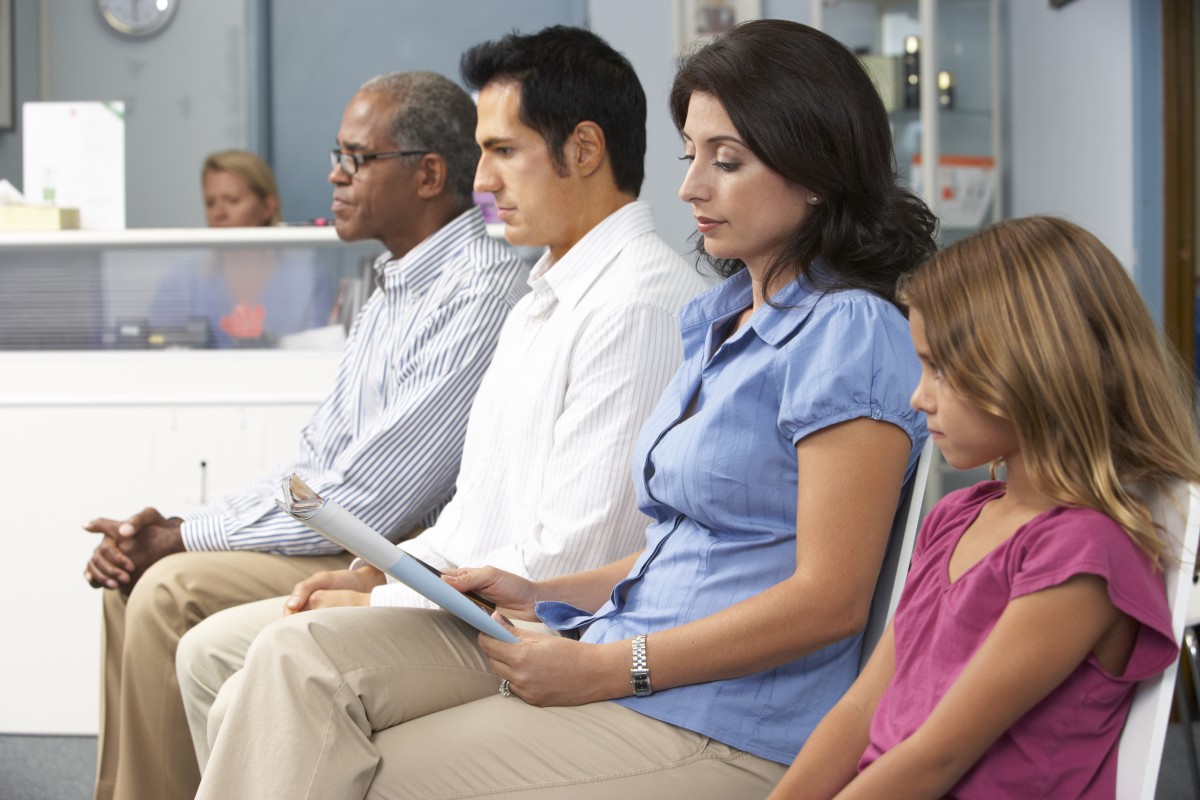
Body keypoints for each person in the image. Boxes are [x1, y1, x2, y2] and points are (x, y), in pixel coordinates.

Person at [194, 20, 936, 798]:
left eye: (728, 161)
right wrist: (538, 592)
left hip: (723, 723)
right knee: (304, 702)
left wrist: (609, 665)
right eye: (692, 157)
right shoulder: (723, 318)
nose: (691, 188)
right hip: (632, 662)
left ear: (817, 171)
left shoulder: (847, 329)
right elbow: (679, 555)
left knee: (358, 768)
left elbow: (830, 601)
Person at [177, 24, 710, 771]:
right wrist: (374, 572)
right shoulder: (542, 296)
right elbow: (472, 513)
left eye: (502, 151)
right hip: (473, 609)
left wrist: (377, 603)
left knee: (286, 666)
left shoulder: (637, 305)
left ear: (583, 150)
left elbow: (568, 559)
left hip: (540, 630)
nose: (481, 183)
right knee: (210, 657)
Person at [83, 71, 530, 800]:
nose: (335, 174)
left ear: (428, 175)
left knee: (166, 589)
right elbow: (314, 465)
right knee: (131, 579)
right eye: (338, 154)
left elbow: (370, 501)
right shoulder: (392, 283)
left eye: (356, 158)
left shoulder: (477, 290)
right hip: (345, 535)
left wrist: (186, 539)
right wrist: (179, 525)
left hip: (393, 560)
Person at [769, 216, 1200, 800]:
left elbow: (936, 758)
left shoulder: (1083, 554)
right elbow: (862, 707)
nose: (918, 396)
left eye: (941, 369)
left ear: (1036, 370)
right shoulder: (955, 518)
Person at [148, 149, 336, 347]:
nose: (219, 213)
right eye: (210, 203)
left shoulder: (309, 280)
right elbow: (156, 349)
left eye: (232, 200)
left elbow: (323, 356)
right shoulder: (182, 281)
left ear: (267, 207)